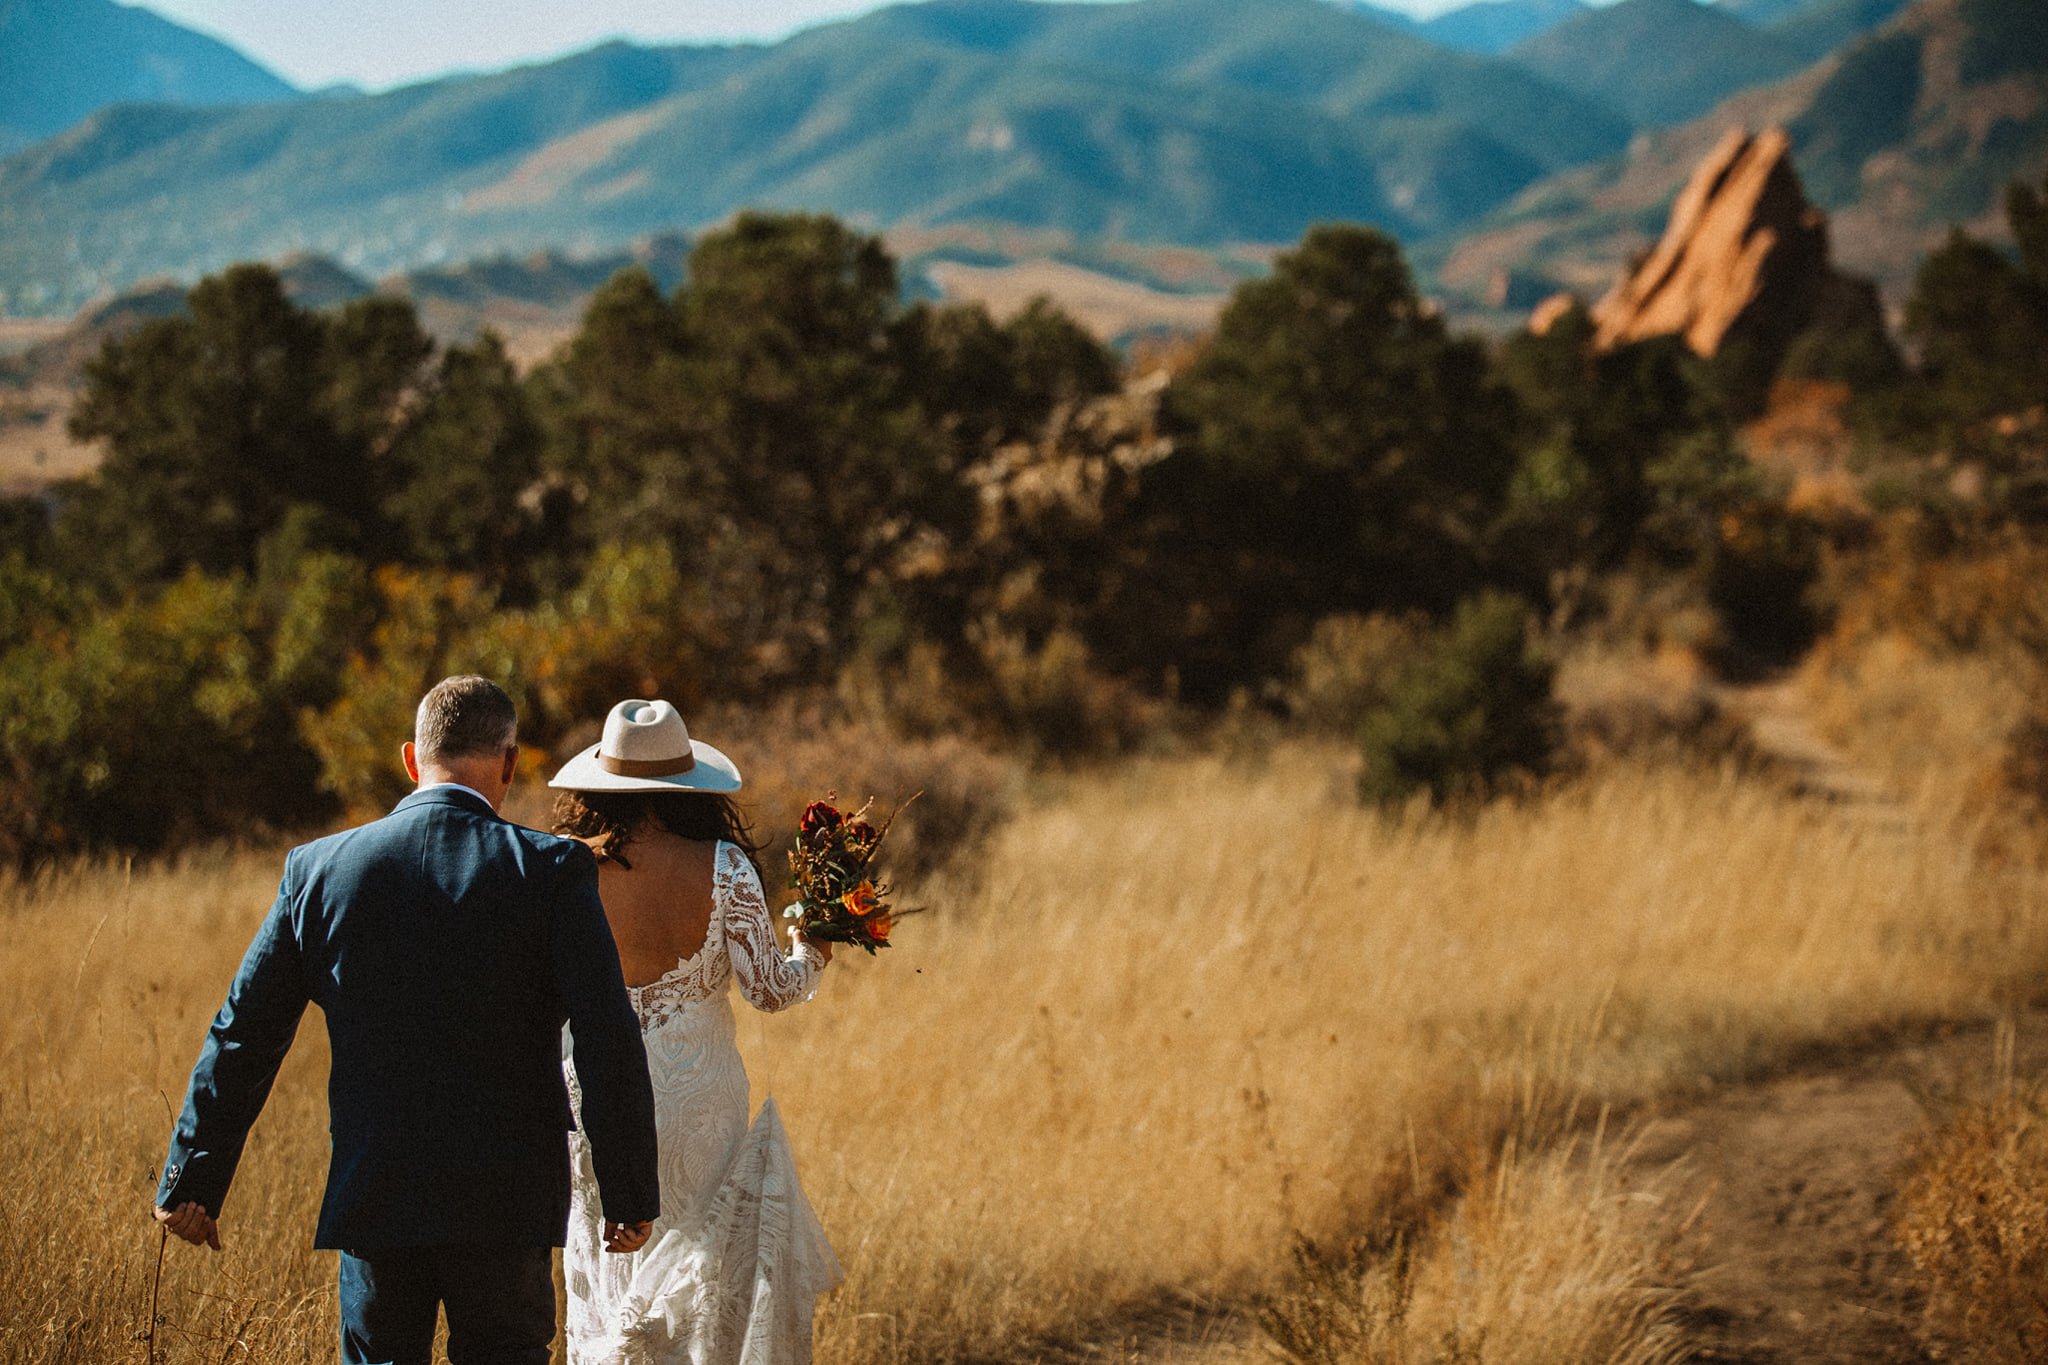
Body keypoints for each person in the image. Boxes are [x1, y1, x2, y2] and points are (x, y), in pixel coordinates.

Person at [153, 675, 663, 1365]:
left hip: (379, 1190)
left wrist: (193, 1179)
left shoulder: (320, 870)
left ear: (410, 758)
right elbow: (606, 1036)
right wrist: (628, 1189)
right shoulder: (551, 870)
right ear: (509, 763)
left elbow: (244, 1030)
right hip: (504, 1198)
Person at [549, 698, 842, 1364]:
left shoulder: (565, 868)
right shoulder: (724, 867)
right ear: (689, 783)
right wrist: (813, 948)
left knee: (604, 1261)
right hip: (697, 1100)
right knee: (699, 1279)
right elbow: (771, 989)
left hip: (592, 1091)